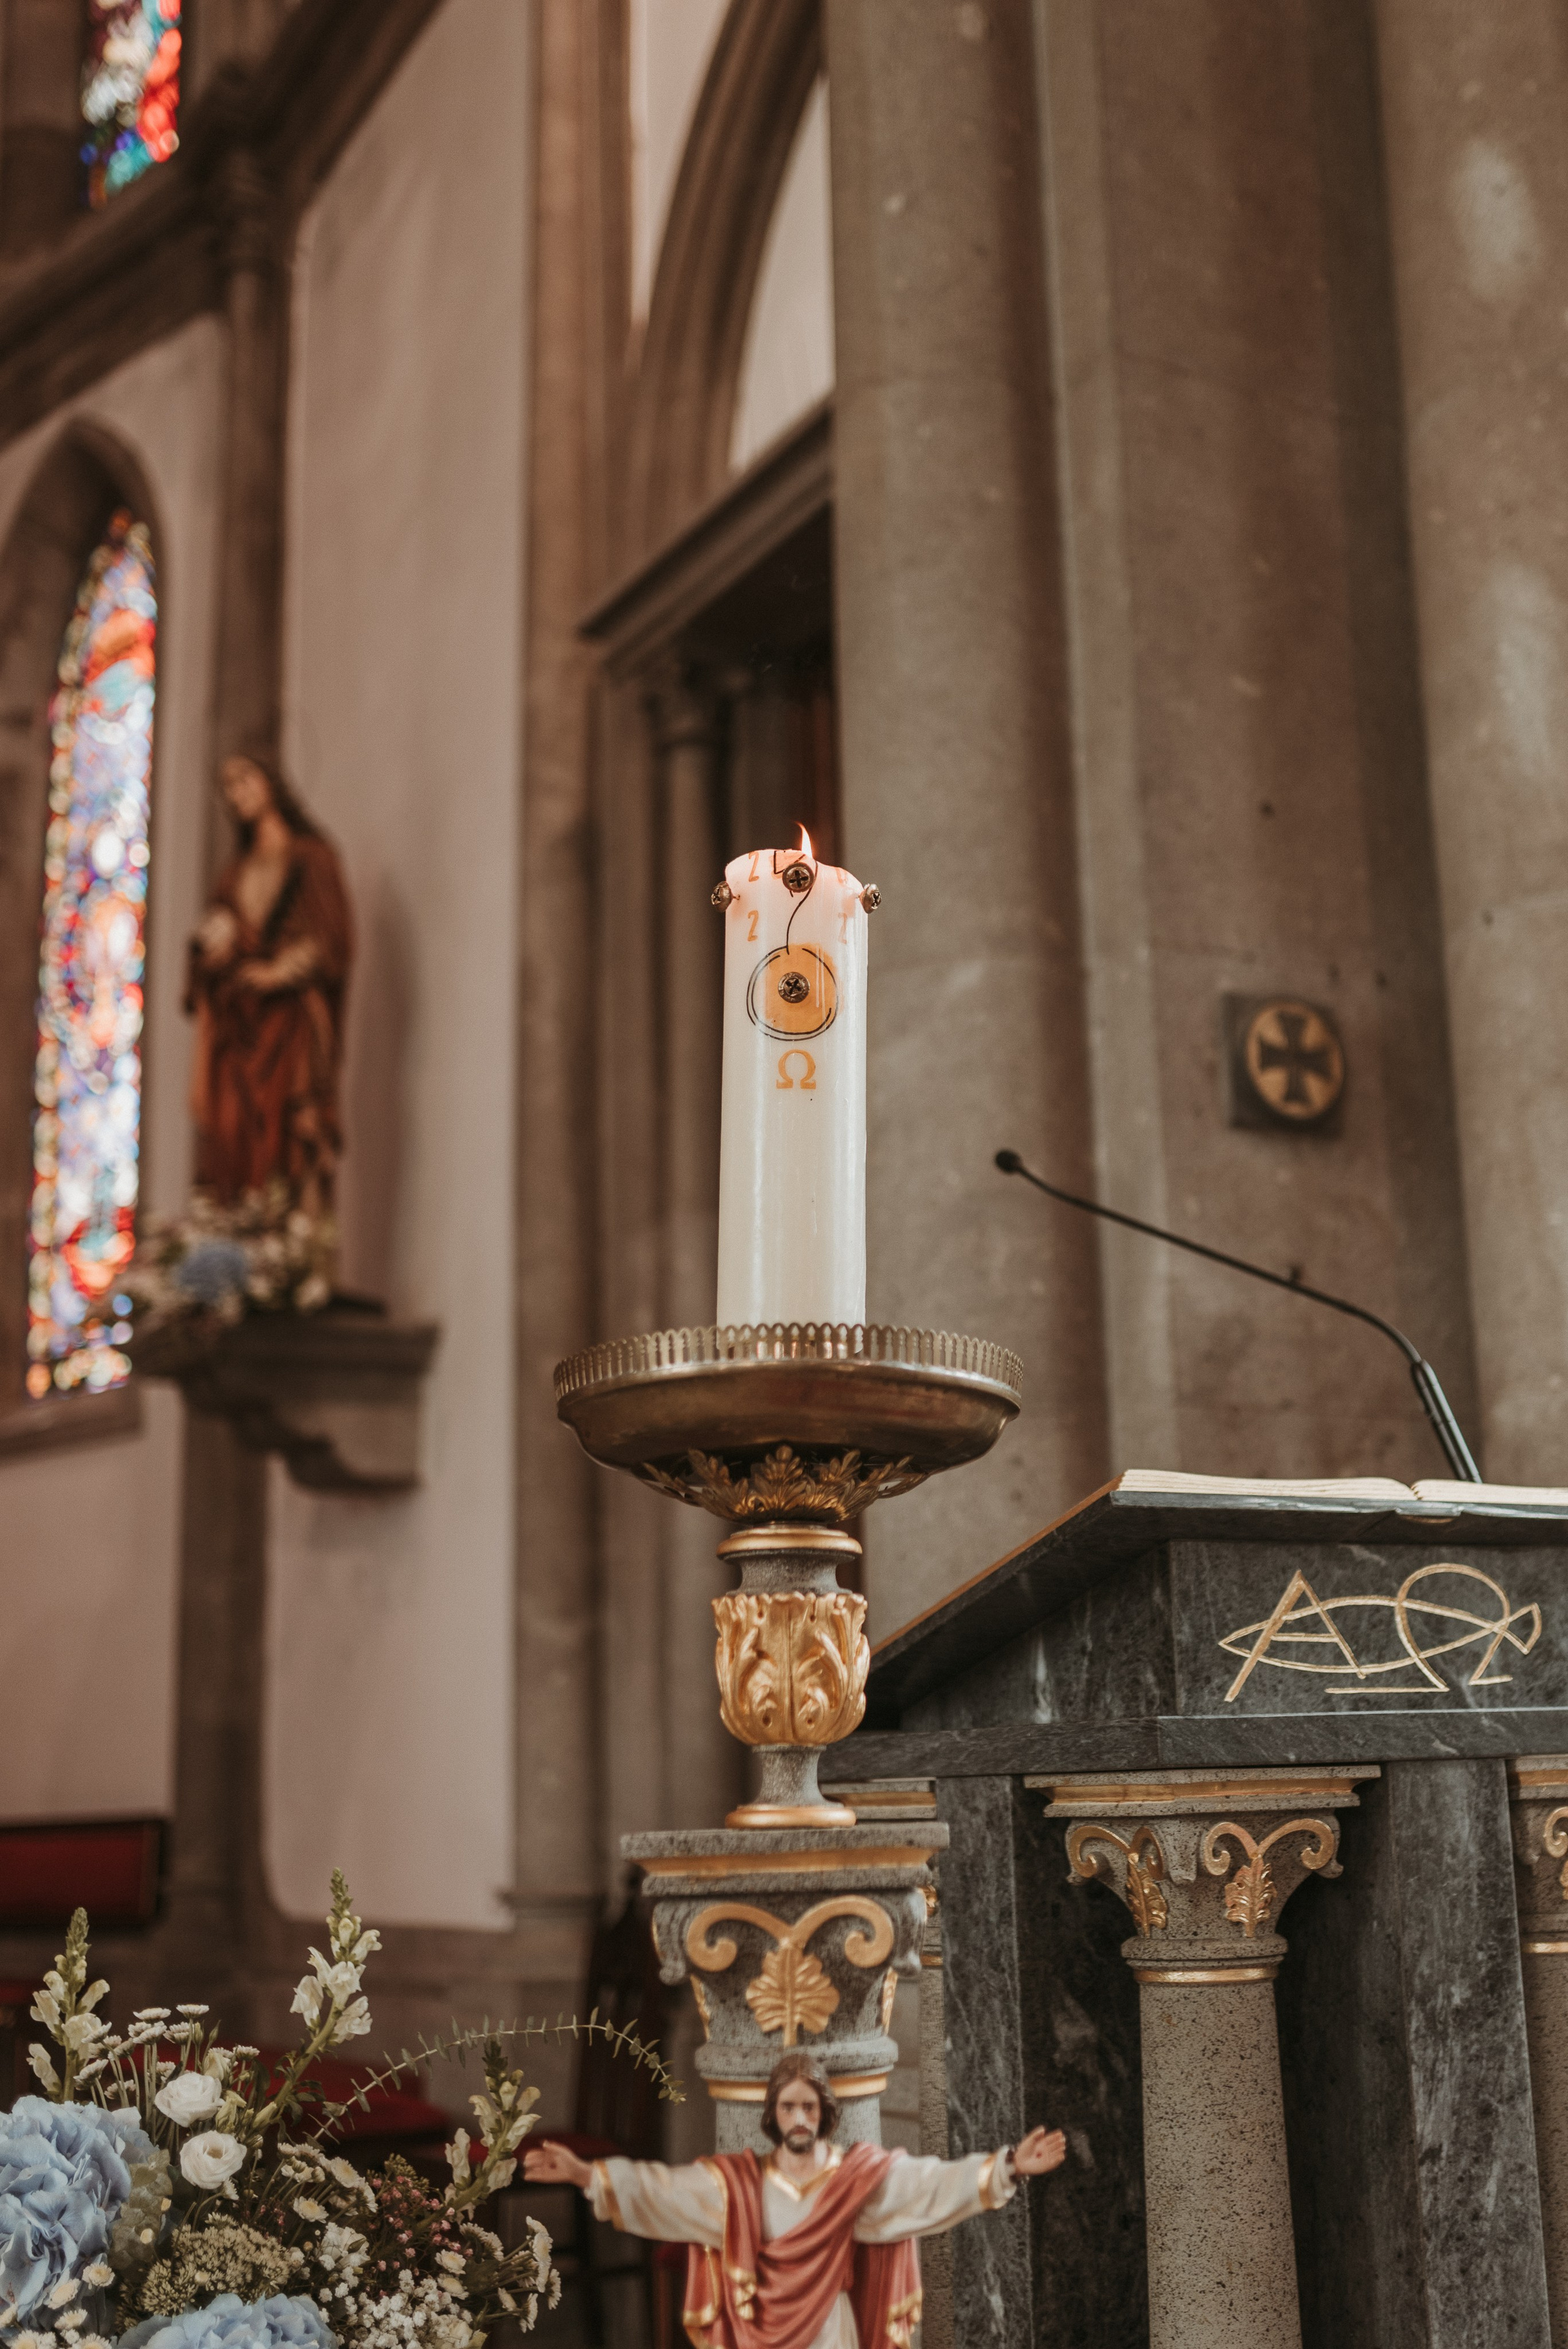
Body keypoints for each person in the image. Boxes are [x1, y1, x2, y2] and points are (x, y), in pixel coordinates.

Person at [522, 2050, 1067, 2349]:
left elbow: (926, 2185)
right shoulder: (739, 2184)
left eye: (809, 2106)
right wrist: (586, 2173)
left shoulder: (855, 2179)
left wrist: (1011, 2164)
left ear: (825, 2112)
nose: (800, 2118)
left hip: (832, 2330)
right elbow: (664, 2190)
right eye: (789, 2108)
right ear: (773, 2116)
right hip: (757, 2328)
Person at [186, 752, 353, 1217]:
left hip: (290, 1023)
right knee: (234, 1137)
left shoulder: (311, 859)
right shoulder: (235, 871)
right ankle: (245, 1243)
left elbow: (332, 939)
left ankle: (294, 1248)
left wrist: (279, 971)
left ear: (271, 783)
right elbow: (212, 941)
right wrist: (213, 945)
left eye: (245, 781)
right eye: (229, 789)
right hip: (240, 1031)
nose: (238, 795)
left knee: (295, 1131)